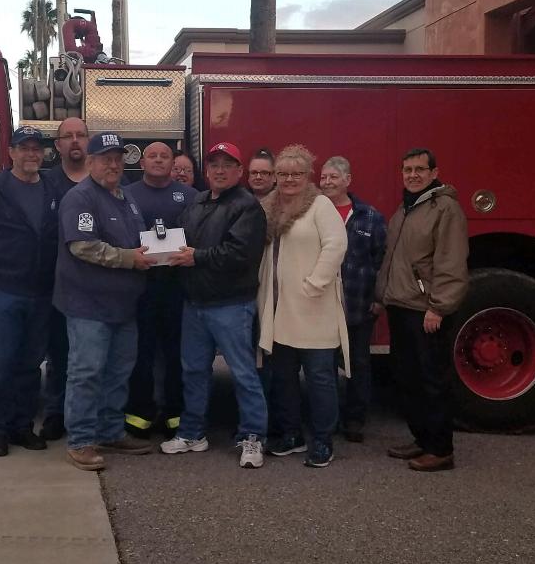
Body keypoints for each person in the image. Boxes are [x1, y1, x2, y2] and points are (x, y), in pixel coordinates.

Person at [162, 142, 269, 468]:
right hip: (195, 303)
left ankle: (253, 438)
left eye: (227, 165)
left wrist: (196, 257)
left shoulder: (247, 207)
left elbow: (240, 255)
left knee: (242, 372)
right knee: (193, 371)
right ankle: (193, 432)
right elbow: (181, 240)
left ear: (239, 172)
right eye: (214, 165)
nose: (220, 170)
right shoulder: (196, 202)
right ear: (206, 171)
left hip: (231, 305)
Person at [54, 132, 156, 471]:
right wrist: (131, 259)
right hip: (89, 305)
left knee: (117, 372)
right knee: (86, 373)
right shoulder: (80, 198)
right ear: (91, 161)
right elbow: (83, 247)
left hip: (123, 306)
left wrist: (158, 252)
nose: (113, 164)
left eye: (117, 158)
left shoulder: (125, 197)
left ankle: (111, 431)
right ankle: (81, 440)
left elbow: (137, 240)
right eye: (105, 158)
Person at [0, 126, 59, 457]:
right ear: (11, 153)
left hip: (41, 292)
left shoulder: (51, 189)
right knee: (3, 362)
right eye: (25, 148)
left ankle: (22, 427)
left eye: (37, 149)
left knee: (31, 365)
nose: (32, 154)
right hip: (5, 291)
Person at [376, 148, 468, 472]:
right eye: (407, 169)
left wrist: (438, 308)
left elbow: (451, 262)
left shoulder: (445, 208)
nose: (412, 175)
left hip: (426, 311)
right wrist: (381, 295)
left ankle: (441, 449)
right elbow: (392, 261)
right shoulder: (405, 209)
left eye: (419, 169)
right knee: (408, 377)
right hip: (402, 306)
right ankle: (422, 439)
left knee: (432, 379)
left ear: (433, 172)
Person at [258, 144, 349, 468]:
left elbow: (336, 245)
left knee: (320, 378)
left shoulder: (320, 206)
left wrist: (316, 283)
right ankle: (291, 434)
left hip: (313, 309)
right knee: (283, 378)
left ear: (308, 175)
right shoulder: (269, 207)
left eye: (296, 173)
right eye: (282, 174)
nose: (289, 179)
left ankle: (323, 440)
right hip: (281, 311)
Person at [123, 142, 198, 438]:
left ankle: (175, 416)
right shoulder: (127, 195)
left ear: (173, 163)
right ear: (141, 163)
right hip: (140, 287)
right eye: (152, 156)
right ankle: (139, 415)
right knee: (140, 352)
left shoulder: (191, 196)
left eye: (164, 156)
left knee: (176, 353)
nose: (158, 160)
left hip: (176, 287)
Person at [320, 156, 387, 443]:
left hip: (358, 305)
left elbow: (382, 260)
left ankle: (355, 420)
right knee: (323, 366)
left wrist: (379, 298)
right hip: (321, 306)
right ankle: (329, 418)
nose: (327, 182)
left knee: (357, 364)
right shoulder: (315, 213)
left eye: (333, 177)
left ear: (348, 180)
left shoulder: (369, 217)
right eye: (323, 177)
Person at [39, 117, 89, 441]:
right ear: (57, 146)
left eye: (80, 135)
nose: (74, 141)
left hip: (95, 288)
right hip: (55, 286)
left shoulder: (104, 182)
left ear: (89, 141)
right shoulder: (44, 182)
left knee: (92, 359)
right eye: (67, 136)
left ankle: (90, 415)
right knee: (58, 353)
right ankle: (56, 414)